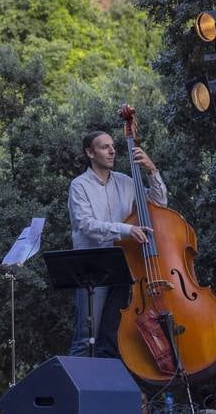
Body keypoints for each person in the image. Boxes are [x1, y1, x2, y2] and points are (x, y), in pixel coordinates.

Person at [66, 129, 167, 358]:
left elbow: (159, 202)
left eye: (113, 146)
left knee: (112, 338)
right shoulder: (79, 186)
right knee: (85, 338)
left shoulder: (126, 182)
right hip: (92, 269)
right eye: (104, 147)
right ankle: (76, 393)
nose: (112, 151)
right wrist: (127, 229)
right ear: (90, 153)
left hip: (122, 268)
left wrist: (151, 170)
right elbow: (87, 226)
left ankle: (103, 391)